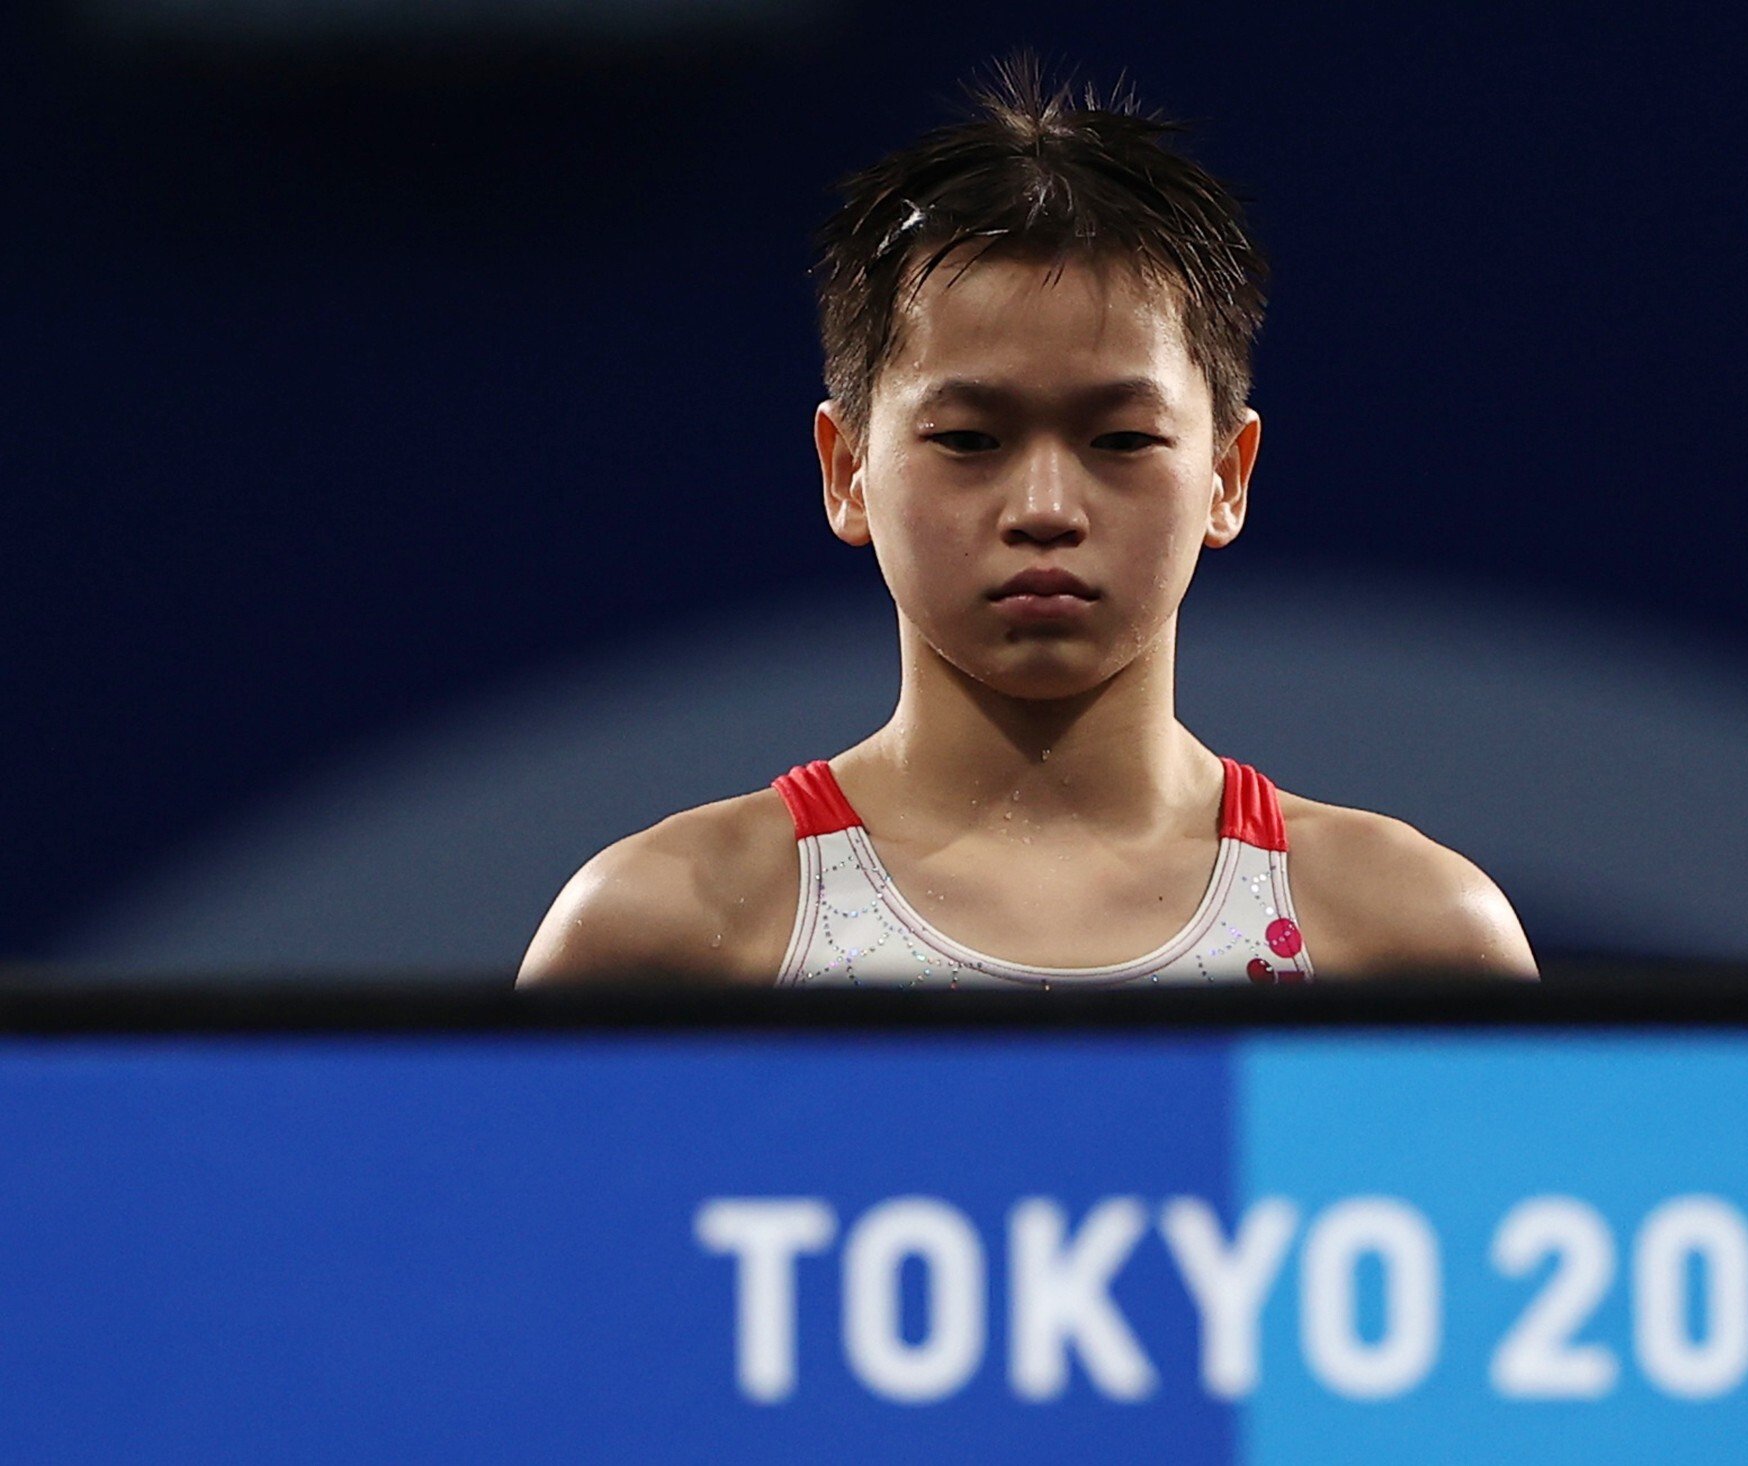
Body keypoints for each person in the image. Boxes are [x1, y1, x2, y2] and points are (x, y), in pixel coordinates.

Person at [519, 58, 1535, 988]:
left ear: (1226, 475)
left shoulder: (1406, 937)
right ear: (848, 471)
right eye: (967, 438)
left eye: (1121, 439)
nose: (1045, 509)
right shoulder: (668, 932)